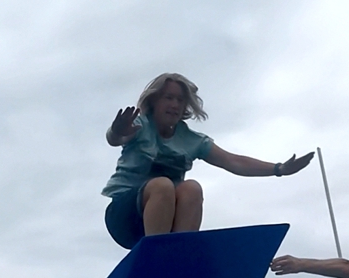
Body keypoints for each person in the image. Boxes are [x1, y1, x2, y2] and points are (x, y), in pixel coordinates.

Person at [102, 73, 314, 249]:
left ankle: (180, 254)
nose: (174, 104)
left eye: (180, 100)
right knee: (162, 185)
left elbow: (233, 161)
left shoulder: (192, 140)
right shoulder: (140, 125)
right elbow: (115, 139)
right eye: (168, 98)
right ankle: (154, 255)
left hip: (167, 217)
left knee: (192, 188)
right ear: (154, 101)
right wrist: (117, 131)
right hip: (125, 217)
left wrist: (278, 169)